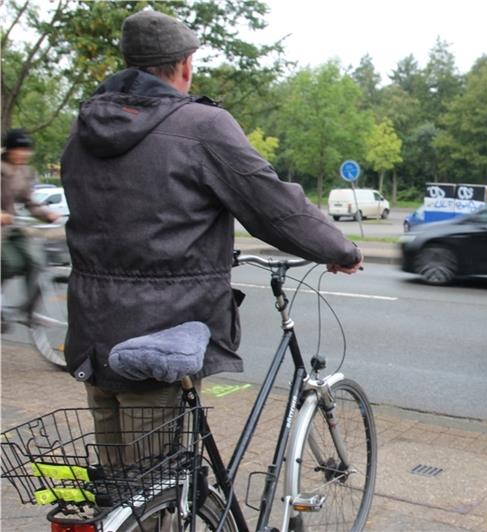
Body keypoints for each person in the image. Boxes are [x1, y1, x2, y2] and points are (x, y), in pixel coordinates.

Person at [60, 10, 362, 450]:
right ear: (184, 65)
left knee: (118, 488)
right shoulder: (201, 126)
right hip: (161, 336)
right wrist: (340, 249)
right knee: (156, 494)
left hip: (93, 333)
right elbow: (273, 205)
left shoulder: (84, 125)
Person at [1, 128, 60, 323]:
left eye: (27, 150)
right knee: (12, 263)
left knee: (36, 261)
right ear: (9, 150)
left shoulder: (26, 171)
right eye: (19, 149)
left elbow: (29, 202)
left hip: (13, 227)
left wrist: (47, 214)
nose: (24, 154)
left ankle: (29, 311)